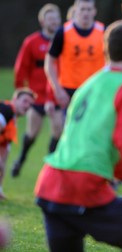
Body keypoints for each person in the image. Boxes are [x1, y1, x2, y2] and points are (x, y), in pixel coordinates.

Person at [34, 20, 122, 251]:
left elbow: (91, 143)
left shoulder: (88, 85)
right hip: (85, 186)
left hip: (51, 184)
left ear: (104, 50)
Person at [11, 3, 63, 178]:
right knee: (32, 132)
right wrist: (21, 91)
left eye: (56, 18)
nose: (54, 22)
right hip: (37, 95)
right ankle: (21, 158)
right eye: (50, 19)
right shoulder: (32, 42)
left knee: (58, 129)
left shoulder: (64, 40)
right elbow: (21, 68)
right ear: (42, 21)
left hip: (56, 94)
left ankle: (50, 167)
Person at [45, 0, 105, 111]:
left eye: (89, 9)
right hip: (69, 92)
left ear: (94, 11)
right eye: (82, 9)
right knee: (70, 127)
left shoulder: (103, 31)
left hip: (96, 89)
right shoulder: (63, 32)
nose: (86, 13)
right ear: (75, 10)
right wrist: (57, 89)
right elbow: (49, 62)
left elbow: (111, 62)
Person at [0, 88, 36, 199]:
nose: (27, 106)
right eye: (25, 101)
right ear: (15, 99)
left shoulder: (12, 119)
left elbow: (4, 154)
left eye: (30, 104)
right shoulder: (6, 111)